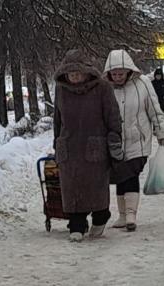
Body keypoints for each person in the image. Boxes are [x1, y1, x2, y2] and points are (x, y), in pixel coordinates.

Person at [53, 49, 123, 242]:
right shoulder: (61, 89)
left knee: (96, 187)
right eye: (70, 73)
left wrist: (115, 140)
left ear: (87, 71)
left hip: (95, 146)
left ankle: (100, 217)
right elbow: (57, 119)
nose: (74, 77)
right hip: (69, 146)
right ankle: (76, 225)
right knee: (71, 187)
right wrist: (57, 143)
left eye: (77, 72)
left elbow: (113, 116)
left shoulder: (102, 88)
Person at [102, 49, 164, 232]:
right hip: (115, 142)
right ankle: (122, 215)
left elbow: (154, 108)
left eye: (121, 74)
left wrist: (161, 131)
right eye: (114, 74)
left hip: (138, 140)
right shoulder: (105, 88)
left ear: (129, 71)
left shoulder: (143, 83)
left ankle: (131, 214)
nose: (117, 77)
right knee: (120, 176)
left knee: (130, 174)